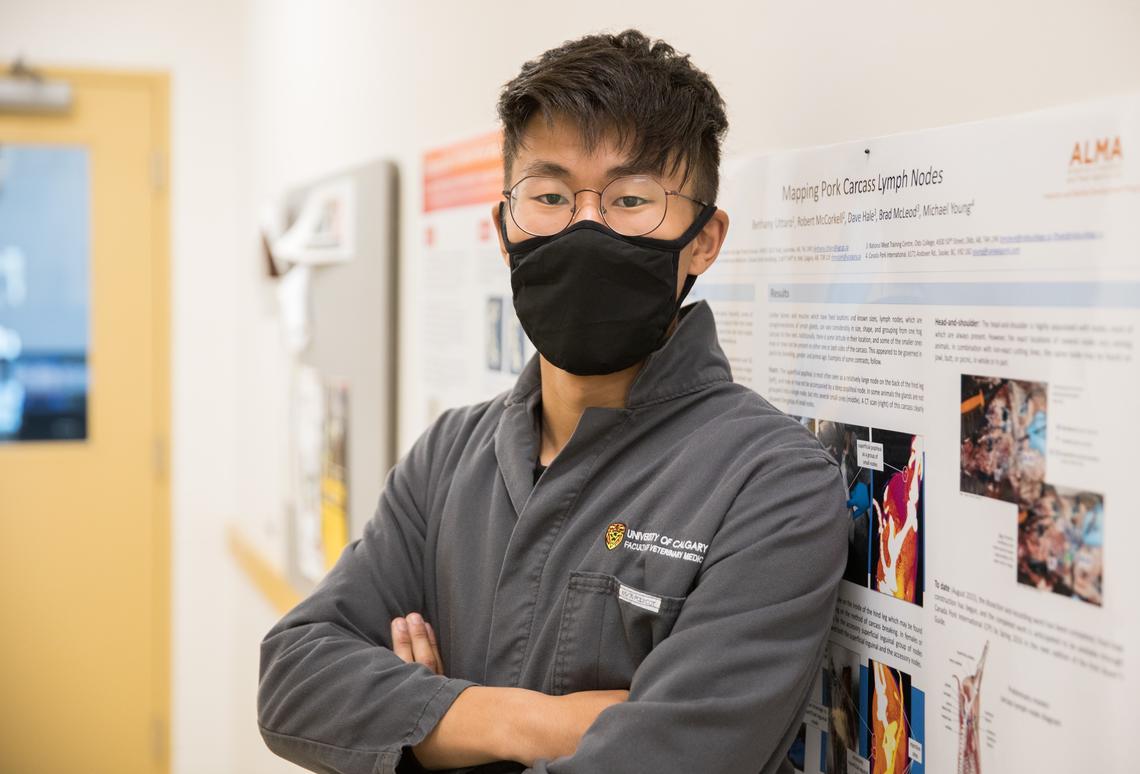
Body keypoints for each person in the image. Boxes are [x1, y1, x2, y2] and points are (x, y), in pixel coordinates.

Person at [258, 29, 848, 774]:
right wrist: (530, 722)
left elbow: (673, 757)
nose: (587, 225)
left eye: (633, 198)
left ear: (705, 240)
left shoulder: (772, 485)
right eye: (550, 195)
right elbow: (292, 678)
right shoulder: (449, 456)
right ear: (505, 226)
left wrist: (426, 721)